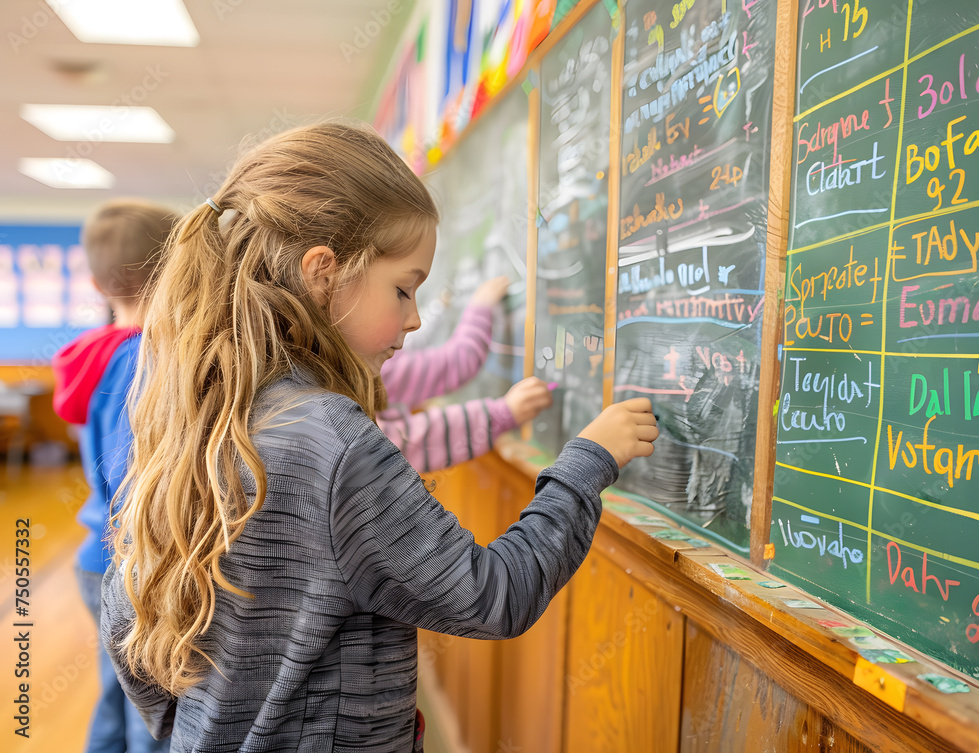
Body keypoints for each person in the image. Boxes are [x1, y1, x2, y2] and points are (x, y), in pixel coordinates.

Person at [101, 121, 657, 752]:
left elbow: (127, 619)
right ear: (323, 273)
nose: (416, 319)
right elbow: (494, 594)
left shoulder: (193, 412)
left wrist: (197, 731)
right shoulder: (333, 444)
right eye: (404, 288)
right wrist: (588, 461)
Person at [52, 198, 177, 753]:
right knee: (149, 713)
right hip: (133, 567)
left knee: (118, 690)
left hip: (96, 557)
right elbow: (136, 481)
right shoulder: (145, 359)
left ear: (103, 285)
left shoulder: (95, 355)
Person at [378, 274, 552, 472]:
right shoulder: (374, 370)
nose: (412, 319)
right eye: (399, 292)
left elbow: (411, 343)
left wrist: (440, 306)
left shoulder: (363, 358)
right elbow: (458, 362)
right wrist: (501, 415)